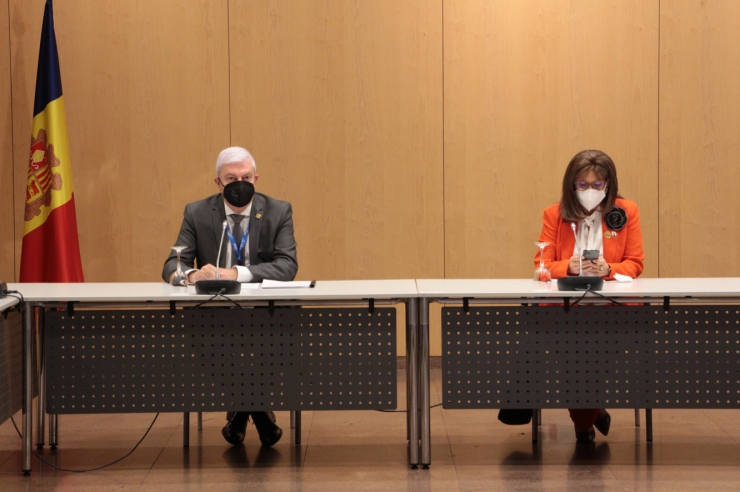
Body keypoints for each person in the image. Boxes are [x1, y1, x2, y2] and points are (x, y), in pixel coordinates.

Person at [162, 146, 298, 447]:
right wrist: (193, 275)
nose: (240, 183)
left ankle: (239, 413)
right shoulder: (197, 212)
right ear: (218, 182)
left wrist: (237, 273)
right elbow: (172, 265)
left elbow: (288, 266)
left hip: (266, 313)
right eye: (231, 178)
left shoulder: (278, 210)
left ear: (256, 178)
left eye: (246, 177)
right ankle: (260, 413)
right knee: (217, 345)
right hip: (216, 313)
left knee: (268, 345)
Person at [535, 149, 644, 442]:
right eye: (582, 185)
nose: (590, 191)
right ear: (572, 185)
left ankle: (585, 420)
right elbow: (541, 265)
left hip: (613, 310)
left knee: (593, 361)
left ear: (609, 184)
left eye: (597, 185)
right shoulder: (554, 214)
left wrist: (608, 269)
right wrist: (566, 267)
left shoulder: (626, 212)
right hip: (564, 311)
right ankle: (591, 415)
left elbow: (635, 263)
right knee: (571, 360)